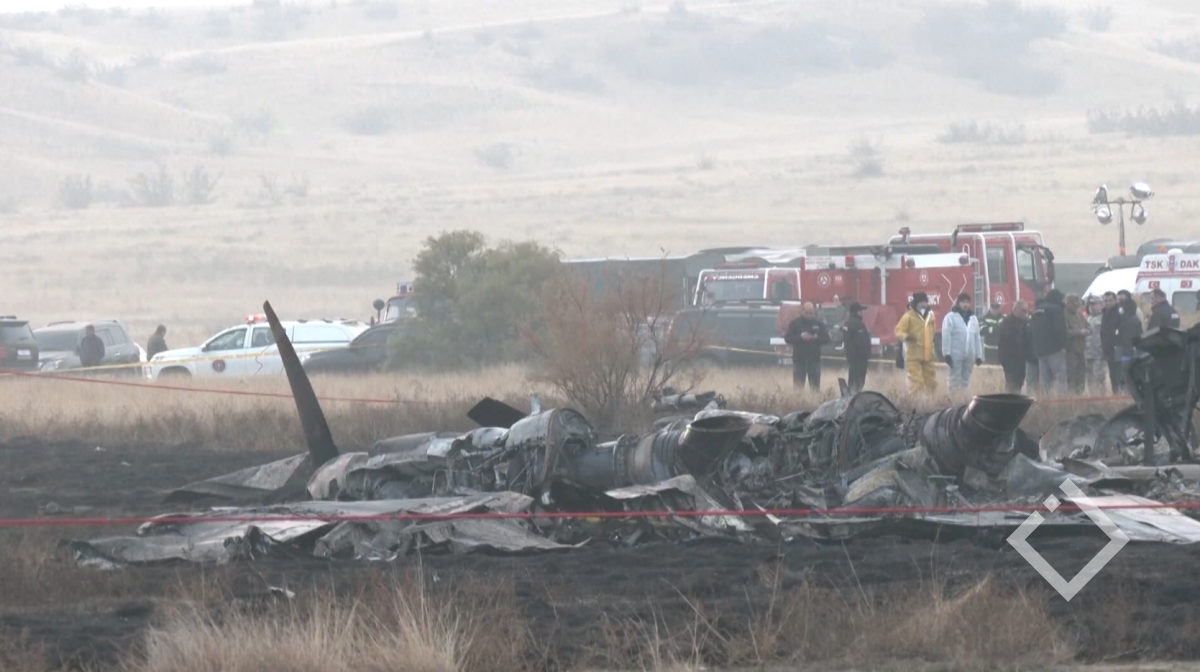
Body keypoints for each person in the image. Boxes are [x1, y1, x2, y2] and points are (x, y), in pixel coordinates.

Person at [894, 292, 937, 394]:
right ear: (916, 303)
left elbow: (933, 331)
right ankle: (916, 401)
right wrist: (907, 337)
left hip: (928, 354)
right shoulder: (908, 316)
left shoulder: (931, 316)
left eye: (925, 302)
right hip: (913, 355)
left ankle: (931, 400)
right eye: (921, 302)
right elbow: (899, 331)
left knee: (931, 382)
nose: (924, 304)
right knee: (916, 382)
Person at [940, 292, 983, 392]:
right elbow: (946, 335)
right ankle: (953, 399)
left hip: (970, 354)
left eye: (967, 302)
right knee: (954, 380)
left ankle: (964, 399)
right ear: (958, 303)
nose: (965, 305)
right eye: (963, 302)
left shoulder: (973, 319)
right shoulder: (950, 317)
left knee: (966, 381)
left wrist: (979, 355)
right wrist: (947, 354)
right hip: (955, 354)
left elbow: (977, 337)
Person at [784, 302, 830, 392]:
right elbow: (787, 338)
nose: (809, 315)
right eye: (807, 313)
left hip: (814, 360)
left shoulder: (819, 323)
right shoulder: (795, 323)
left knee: (815, 388)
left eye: (811, 313)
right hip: (799, 360)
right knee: (798, 387)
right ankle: (799, 400)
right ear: (802, 311)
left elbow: (827, 339)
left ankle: (814, 399)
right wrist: (800, 337)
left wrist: (816, 338)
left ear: (814, 312)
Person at [1030, 288, 1068, 395]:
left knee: (1044, 377)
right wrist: (1065, 346)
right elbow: (1060, 330)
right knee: (1060, 375)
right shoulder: (1056, 310)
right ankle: (1061, 399)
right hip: (1054, 349)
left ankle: (1044, 399)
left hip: (1039, 349)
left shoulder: (1036, 310)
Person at [997, 300, 1031, 393]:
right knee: (1011, 383)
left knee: (1020, 382)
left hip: (1021, 358)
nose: (1025, 313)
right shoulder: (1007, 322)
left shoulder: (1025, 322)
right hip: (1009, 358)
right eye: (1023, 311)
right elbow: (1011, 339)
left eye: (1027, 311)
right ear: (1015, 309)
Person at [1114, 289, 1143, 389]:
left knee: (1126, 376)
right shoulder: (1119, 313)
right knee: (1121, 375)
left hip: (1128, 351)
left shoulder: (1133, 316)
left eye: (1122, 299)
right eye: (1118, 299)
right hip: (1121, 349)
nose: (1119, 302)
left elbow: (1134, 334)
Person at [842, 302, 872, 393]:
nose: (862, 313)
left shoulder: (848, 323)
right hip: (859, 358)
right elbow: (861, 342)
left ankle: (852, 393)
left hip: (853, 358)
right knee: (858, 381)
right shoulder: (857, 324)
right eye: (860, 311)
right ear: (857, 312)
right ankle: (853, 395)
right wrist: (866, 354)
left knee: (854, 380)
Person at [1064, 294, 1090, 395]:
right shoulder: (1064, 315)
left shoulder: (1079, 314)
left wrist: (1088, 331)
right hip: (1070, 351)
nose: (1077, 307)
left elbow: (1088, 326)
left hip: (1081, 349)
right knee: (1071, 376)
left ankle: (1080, 395)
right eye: (1075, 304)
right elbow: (1065, 332)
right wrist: (1079, 332)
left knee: (1081, 375)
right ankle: (1071, 396)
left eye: (1078, 304)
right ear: (1068, 303)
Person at [1084, 296, 1107, 395]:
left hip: (1099, 352)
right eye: (1091, 304)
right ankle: (1092, 395)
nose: (1092, 306)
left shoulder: (1104, 318)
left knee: (1099, 376)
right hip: (1088, 352)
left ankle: (1101, 396)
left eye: (1094, 304)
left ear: (1101, 305)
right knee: (1089, 377)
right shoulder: (1088, 318)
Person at [1100, 291, 1121, 393]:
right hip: (1108, 348)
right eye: (1105, 301)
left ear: (1115, 300)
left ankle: (1121, 394)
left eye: (1110, 300)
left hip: (1118, 347)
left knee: (1119, 373)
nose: (1108, 303)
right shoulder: (1105, 313)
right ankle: (1115, 393)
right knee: (1112, 374)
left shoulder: (1119, 312)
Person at [979, 299, 1004, 365]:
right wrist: (994, 329)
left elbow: (1002, 329)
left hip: (999, 349)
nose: (995, 310)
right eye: (993, 308)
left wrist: (989, 329)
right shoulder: (985, 318)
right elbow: (982, 331)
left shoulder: (1002, 318)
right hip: (988, 349)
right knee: (989, 367)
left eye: (997, 308)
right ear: (990, 308)